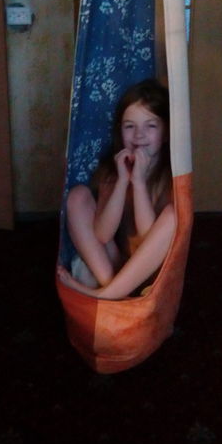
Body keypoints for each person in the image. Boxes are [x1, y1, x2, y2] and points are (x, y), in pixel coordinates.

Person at [57, 78, 175, 300]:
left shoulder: (169, 177)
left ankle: (107, 294)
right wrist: (122, 181)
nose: (139, 135)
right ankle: (112, 288)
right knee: (77, 196)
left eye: (150, 126)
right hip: (116, 265)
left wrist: (138, 183)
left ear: (166, 133)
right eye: (130, 126)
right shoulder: (114, 172)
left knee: (172, 216)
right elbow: (102, 235)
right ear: (120, 132)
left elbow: (148, 238)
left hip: (150, 270)